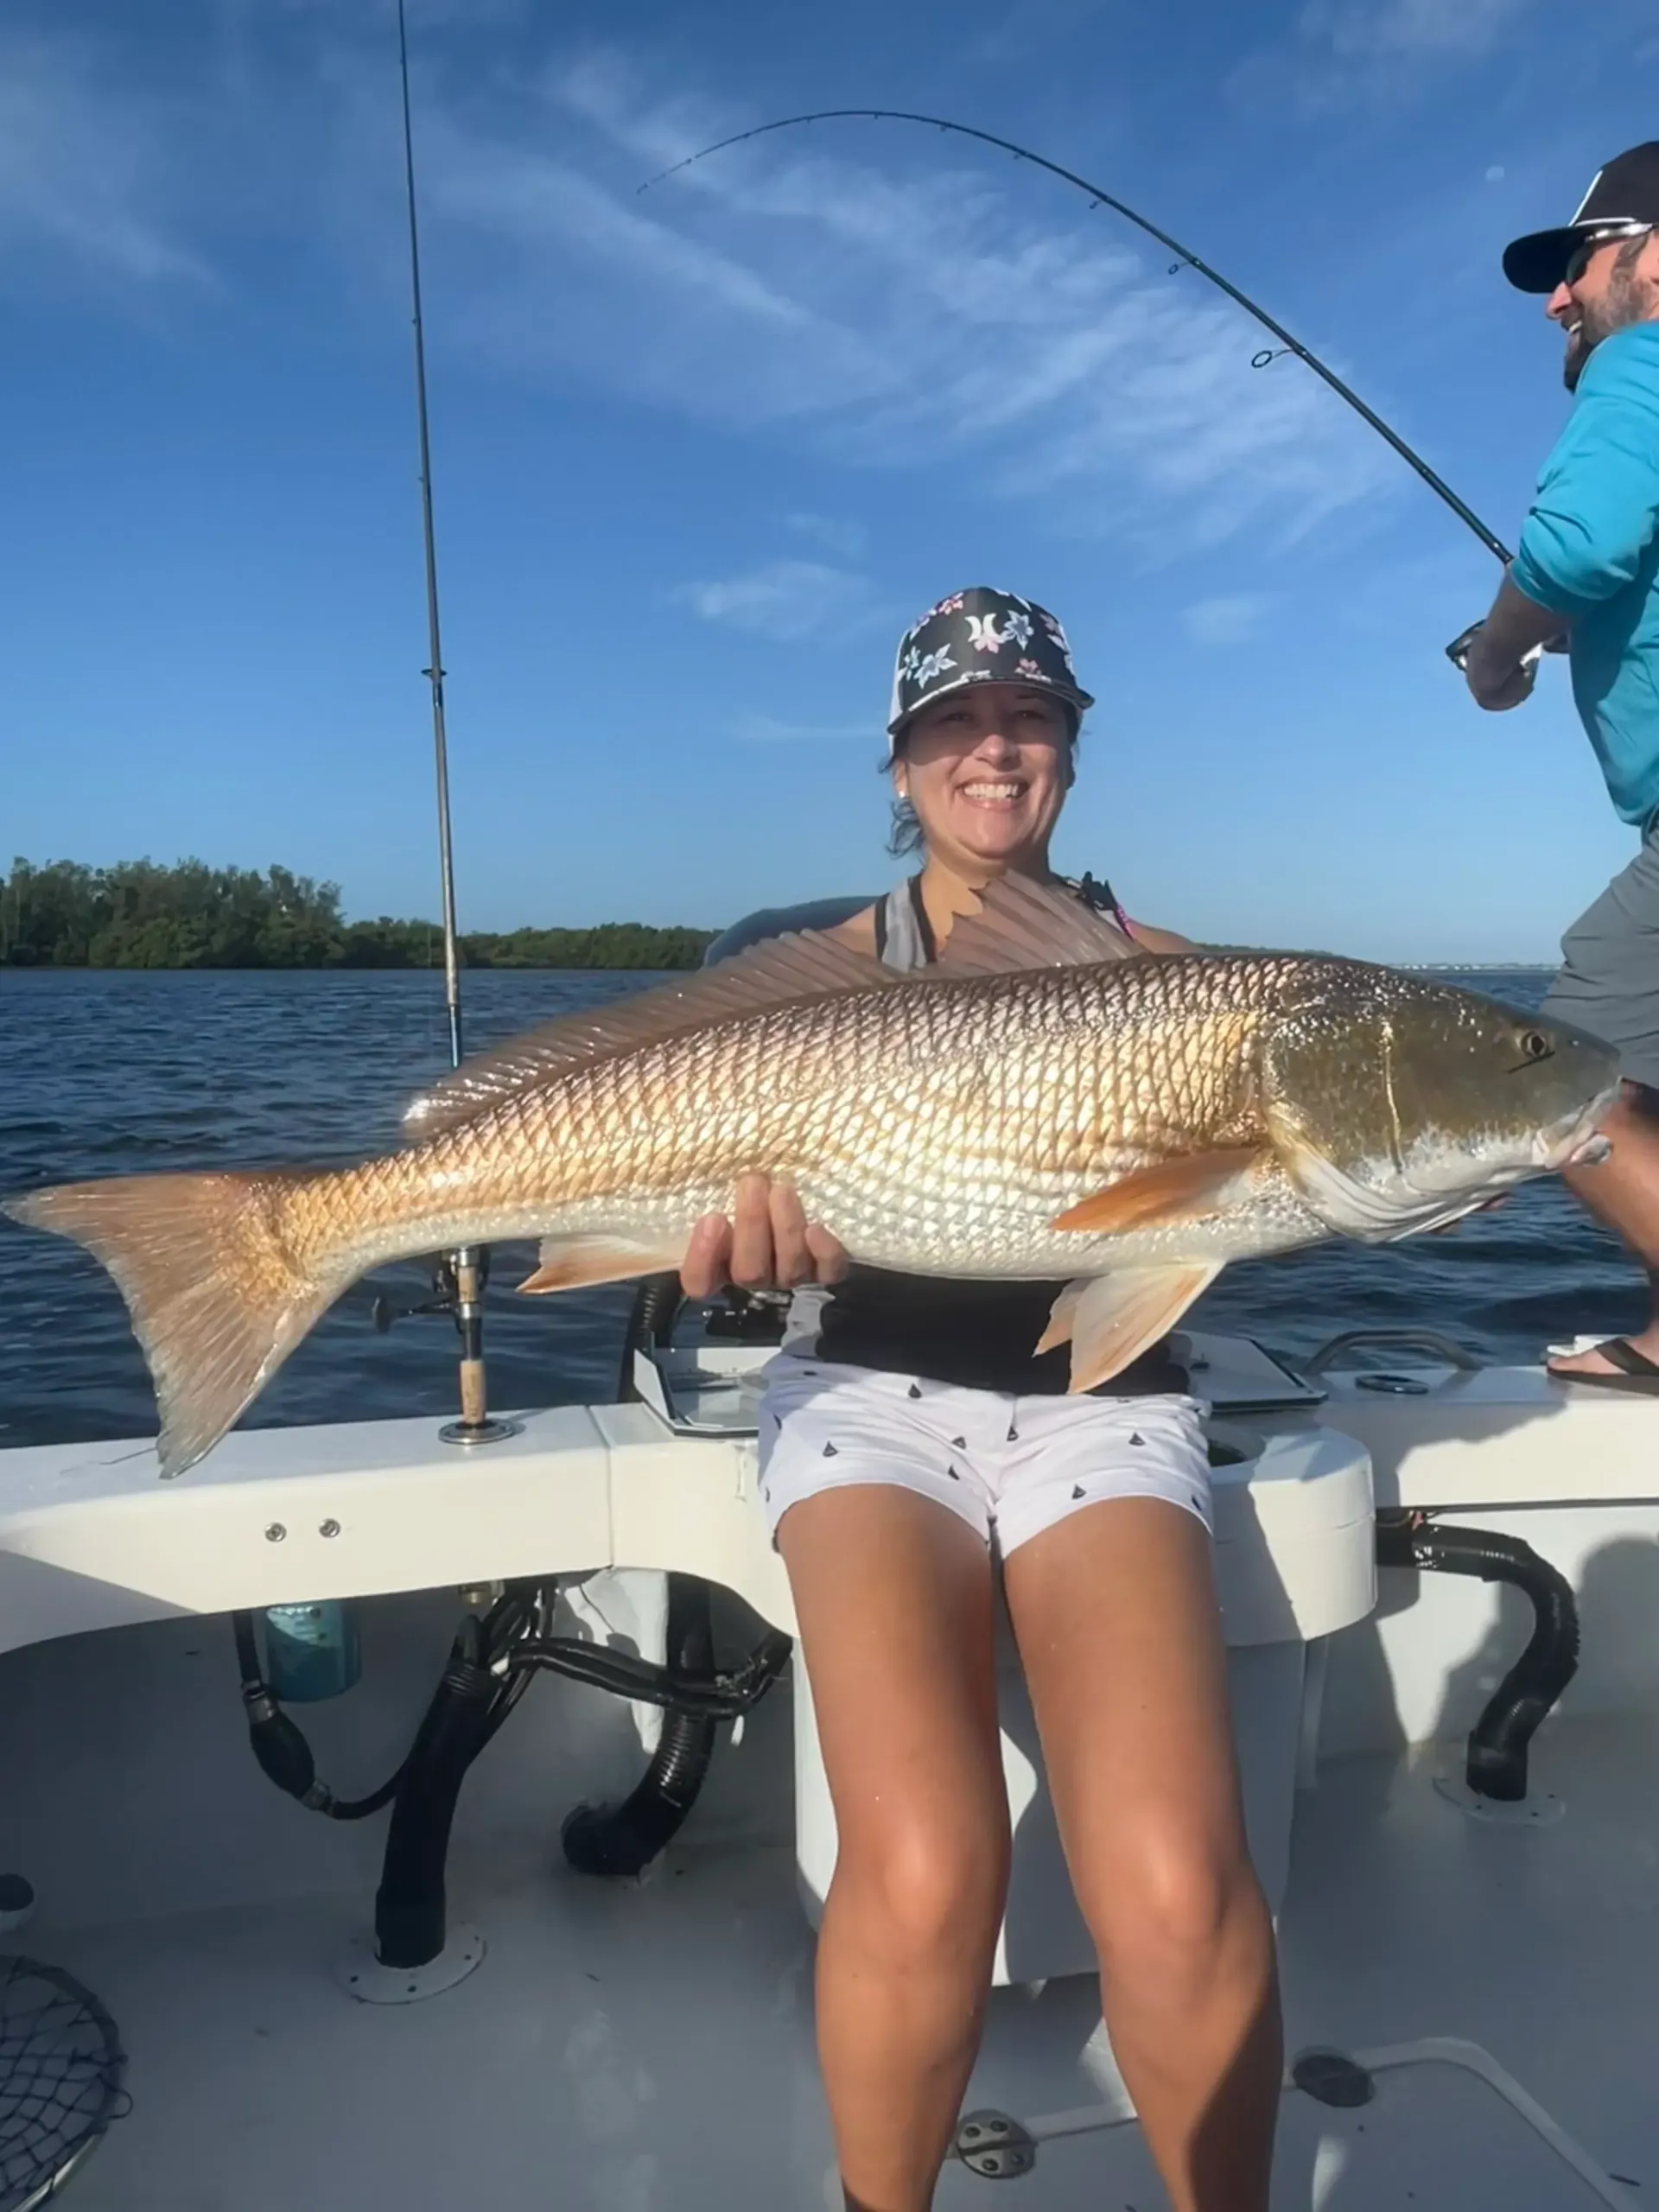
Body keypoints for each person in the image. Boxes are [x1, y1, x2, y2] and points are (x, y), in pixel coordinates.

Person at [682, 587, 1282, 2212]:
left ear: (1071, 752)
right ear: (899, 765)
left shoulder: (1178, 981)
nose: (993, 746)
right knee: (932, 1865)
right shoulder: (806, 982)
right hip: (866, 1398)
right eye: (954, 720)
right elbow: (712, 1244)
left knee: (1172, 1891)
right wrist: (732, 1255)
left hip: (1102, 1404)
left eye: (1028, 717)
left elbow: (1210, 1228)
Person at [1462, 143, 1659, 1392]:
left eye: (1581, 260)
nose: (1559, 298)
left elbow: (1580, 551)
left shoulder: (1643, 361)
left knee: (1562, 1079)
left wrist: (1494, 654)